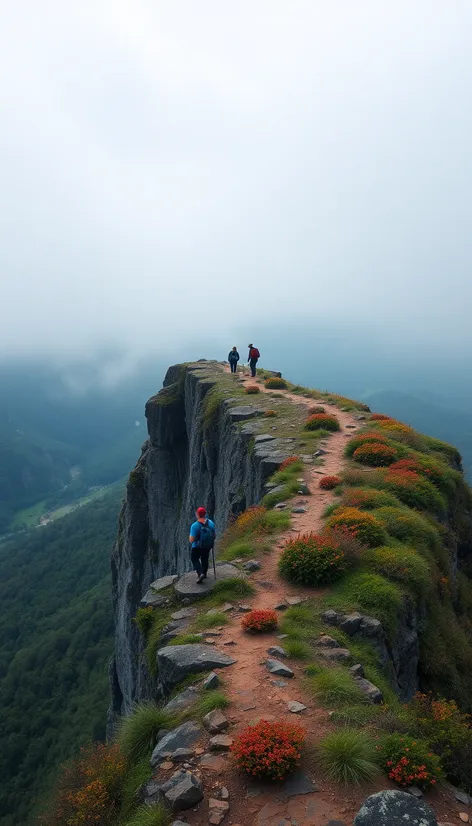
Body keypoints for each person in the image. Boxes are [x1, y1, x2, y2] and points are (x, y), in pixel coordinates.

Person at [189, 507, 216, 583]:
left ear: (197, 514)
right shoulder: (211, 523)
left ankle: (200, 573)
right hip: (207, 546)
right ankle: (204, 573)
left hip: (197, 547)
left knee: (194, 559)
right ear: (205, 514)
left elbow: (191, 540)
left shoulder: (195, 525)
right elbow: (214, 535)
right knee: (205, 559)